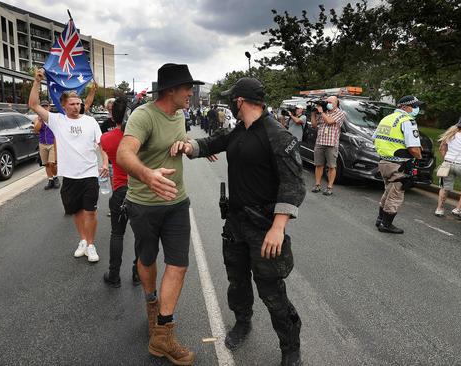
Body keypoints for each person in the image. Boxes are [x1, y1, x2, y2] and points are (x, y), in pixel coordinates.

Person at [171, 77, 306, 366]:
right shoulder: (237, 132)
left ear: (241, 101)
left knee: (271, 291)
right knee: (237, 281)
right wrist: (185, 145)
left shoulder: (277, 135)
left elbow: (294, 185)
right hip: (235, 223)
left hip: (264, 227)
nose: (233, 102)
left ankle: (290, 347)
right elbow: (208, 143)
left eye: (234, 98)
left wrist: (278, 227)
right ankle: (242, 321)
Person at [117, 63, 203, 365]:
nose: (191, 93)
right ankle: (151, 302)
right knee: (148, 258)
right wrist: (147, 175)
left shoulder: (179, 115)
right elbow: (124, 153)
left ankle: (164, 333)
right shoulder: (143, 115)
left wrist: (190, 146)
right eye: (187, 88)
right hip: (144, 204)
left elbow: (177, 143)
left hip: (177, 202)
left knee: (178, 264)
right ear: (170, 90)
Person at [28, 68, 109, 262]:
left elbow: (101, 145)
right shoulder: (57, 120)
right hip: (70, 176)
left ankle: (91, 244)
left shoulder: (90, 122)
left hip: (89, 174)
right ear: (64, 106)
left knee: (91, 211)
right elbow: (33, 104)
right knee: (77, 211)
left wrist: (105, 162)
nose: (76, 107)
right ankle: (82, 240)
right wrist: (37, 82)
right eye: (72, 104)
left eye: (78, 104)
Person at [100, 96, 141, 288]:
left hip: (119, 190)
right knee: (142, 236)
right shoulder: (142, 138)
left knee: (117, 234)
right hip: (140, 190)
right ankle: (138, 273)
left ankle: (114, 275)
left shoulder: (106, 139)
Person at [372, 95, 423, 234]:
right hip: (399, 165)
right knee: (396, 195)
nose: (417, 109)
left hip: (384, 162)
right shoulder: (408, 121)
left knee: (388, 191)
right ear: (405, 107)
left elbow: (374, 139)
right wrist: (419, 157)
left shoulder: (386, 118)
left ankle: (380, 219)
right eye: (414, 106)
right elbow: (413, 148)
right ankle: (386, 224)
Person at [310, 96, 346, 196]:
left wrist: (321, 112)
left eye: (330, 102)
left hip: (331, 143)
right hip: (320, 141)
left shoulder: (340, 113)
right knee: (318, 164)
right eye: (327, 102)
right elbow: (314, 125)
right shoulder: (324, 111)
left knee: (331, 166)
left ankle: (329, 187)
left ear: (336, 103)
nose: (327, 103)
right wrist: (313, 114)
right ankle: (317, 185)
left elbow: (329, 121)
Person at [33, 99, 60, 190]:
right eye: (42, 106)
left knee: (52, 163)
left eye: (46, 106)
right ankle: (50, 180)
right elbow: (36, 130)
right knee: (46, 164)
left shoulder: (54, 117)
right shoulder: (37, 118)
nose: (44, 108)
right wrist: (40, 120)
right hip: (42, 143)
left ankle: (55, 177)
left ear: (49, 107)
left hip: (53, 143)